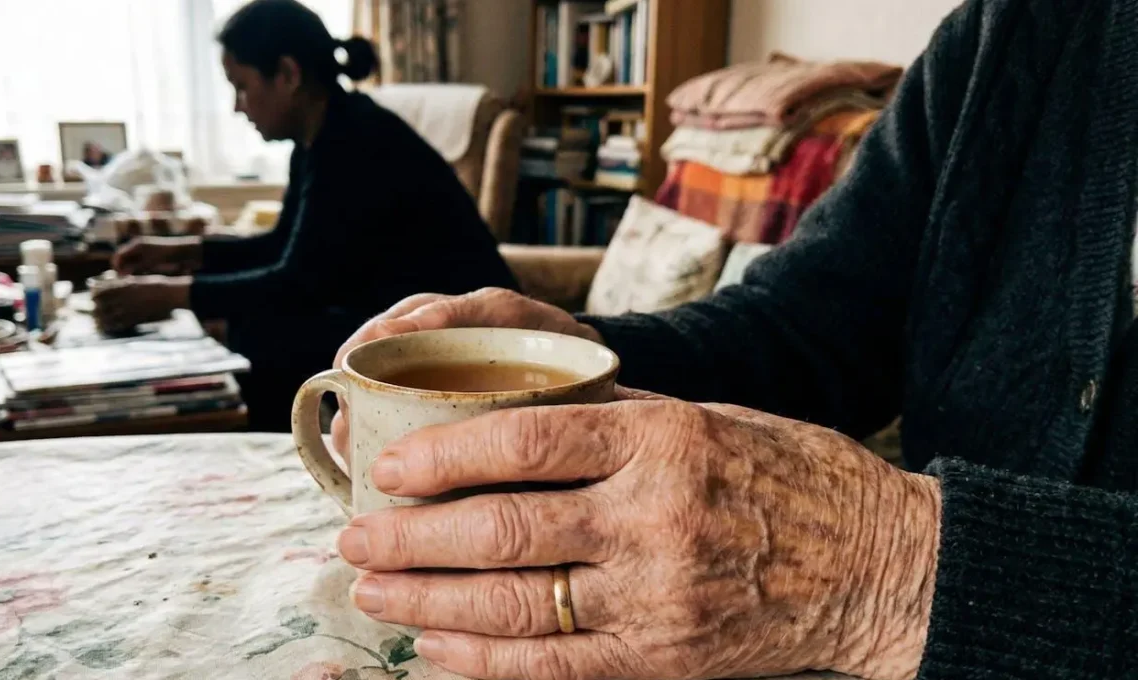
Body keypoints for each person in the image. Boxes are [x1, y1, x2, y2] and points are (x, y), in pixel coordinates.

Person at [328, 1, 1138, 678]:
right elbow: (807, 329)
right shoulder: (1021, 32)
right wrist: (581, 360)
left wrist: (897, 569)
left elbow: (895, 566)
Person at [96, 0, 517, 431]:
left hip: (461, 331)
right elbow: (284, 246)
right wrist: (179, 252)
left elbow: (299, 281)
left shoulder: (356, 142)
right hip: (398, 312)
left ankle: (278, 459)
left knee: (264, 334)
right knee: (255, 324)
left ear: (288, 75)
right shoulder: (320, 137)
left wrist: (170, 294)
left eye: (241, 86)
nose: (238, 107)